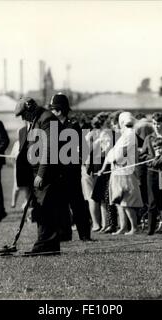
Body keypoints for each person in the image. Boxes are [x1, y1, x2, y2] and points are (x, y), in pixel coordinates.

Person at [14, 97, 62, 256]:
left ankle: (46, 244)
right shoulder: (37, 120)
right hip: (36, 172)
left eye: (23, 114)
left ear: (30, 109)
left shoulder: (47, 119)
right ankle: (47, 244)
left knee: (46, 207)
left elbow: (50, 149)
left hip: (48, 173)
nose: (22, 118)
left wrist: (41, 174)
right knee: (42, 209)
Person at [49, 93, 92, 241]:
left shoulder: (72, 126)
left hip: (70, 172)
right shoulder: (51, 127)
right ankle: (64, 234)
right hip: (56, 172)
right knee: (60, 204)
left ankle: (84, 234)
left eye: (52, 110)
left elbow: (83, 147)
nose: (50, 113)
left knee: (77, 203)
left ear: (59, 111)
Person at [98, 112, 143, 235]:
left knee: (127, 201)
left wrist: (112, 157)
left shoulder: (129, 135)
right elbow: (112, 153)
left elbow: (117, 155)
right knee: (120, 201)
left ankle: (134, 227)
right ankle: (123, 227)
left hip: (125, 171)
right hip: (119, 171)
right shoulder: (125, 135)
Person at [140, 112, 162, 235]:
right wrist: (152, 160)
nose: (156, 126)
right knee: (152, 202)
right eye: (154, 123)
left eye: (158, 123)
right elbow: (142, 156)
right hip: (152, 173)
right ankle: (151, 229)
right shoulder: (148, 138)